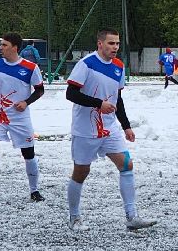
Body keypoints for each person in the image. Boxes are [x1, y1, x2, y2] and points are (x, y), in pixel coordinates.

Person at [65, 27, 154, 232]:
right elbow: (70, 94)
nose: (115, 47)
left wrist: (126, 126)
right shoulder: (86, 64)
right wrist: (98, 104)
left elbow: (117, 98)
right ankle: (74, 218)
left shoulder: (118, 66)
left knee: (126, 165)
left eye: (117, 43)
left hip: (109, 127)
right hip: (85, 128)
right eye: (111, 43)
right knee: (81, 172)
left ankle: (132, 217)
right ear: (100, 44)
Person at [0, 33, 46, 205]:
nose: (0, 48)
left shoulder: (30, 67)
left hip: (20, 118)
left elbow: (39, 90)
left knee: (28, 154)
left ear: (15, 47)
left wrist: (26, 102)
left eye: (4, 45)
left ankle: (34, 190)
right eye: (1, 45)